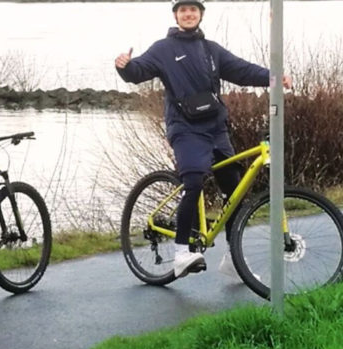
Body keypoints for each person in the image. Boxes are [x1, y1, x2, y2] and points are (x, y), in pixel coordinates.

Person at [115, 0, 292, 279]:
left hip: (215, 128)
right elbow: (138, 72)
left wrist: (273, 78)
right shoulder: (163, 48)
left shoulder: (211, 50)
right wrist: (125, 66)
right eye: (183, 10)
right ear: (176, 15)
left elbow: (241, 70)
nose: (188, 14)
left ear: (200, 15)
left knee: (234, 192)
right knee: (194, 180)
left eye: (193, 10)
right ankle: (182, 252)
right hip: (185, 128)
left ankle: (234, 260)